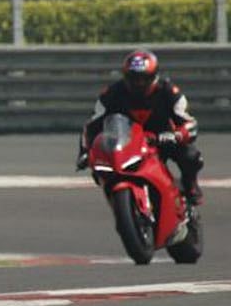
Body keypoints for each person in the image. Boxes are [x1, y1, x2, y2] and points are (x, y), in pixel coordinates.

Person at [76, 49, 203, 203]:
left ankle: (190, 184)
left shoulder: (169, 92)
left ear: (154, 76)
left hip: (162, 139)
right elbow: (92, 125)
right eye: (134, 79)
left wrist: (178, 135)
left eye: (145, 79)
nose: (139, 83)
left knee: (191, 156)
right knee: (101, 169)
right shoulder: (111, 93)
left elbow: (190, 123)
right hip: (127, 143)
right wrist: (85, 152)